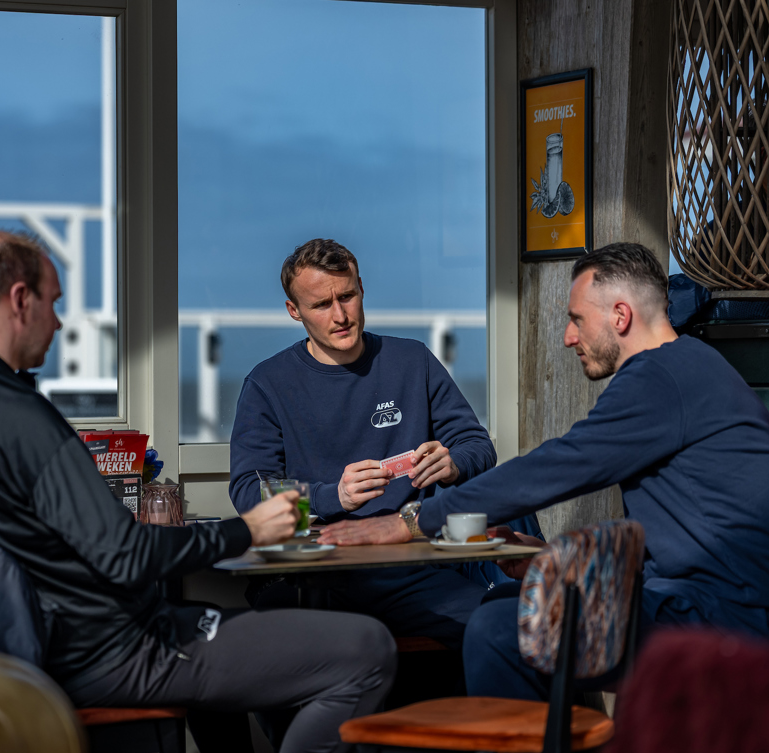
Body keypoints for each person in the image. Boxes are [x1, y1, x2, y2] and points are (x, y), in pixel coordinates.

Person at [0, 230, 396, 753]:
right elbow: (126, 557)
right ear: (20, 300)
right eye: (53, 302)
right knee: (367, 648)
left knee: (215, 625)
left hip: (9, 649)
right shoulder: (18, 417)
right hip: (108, 651)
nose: (58, 322)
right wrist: (247, 530)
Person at [318, 242, 769, 700]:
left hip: (714, 623)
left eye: (576, 319)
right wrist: (553, 558)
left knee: (498, 628)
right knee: (501, 603)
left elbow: (555, 467)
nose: (568, 337)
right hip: (697, 604)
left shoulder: (660, 377)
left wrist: (413, 521)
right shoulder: (689, 367)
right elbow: (685, 531)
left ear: (621, 316)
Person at [229, 237, 539, 649]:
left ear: (361, 288)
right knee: (304, 642)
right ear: (294, 310)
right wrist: (332, 496)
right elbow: (250, 491)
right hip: (323, 568)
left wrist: (453, 464)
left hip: (414, 564)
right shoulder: (267, 384)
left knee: (507, 628)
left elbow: (476, 445)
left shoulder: (412, 360)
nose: (340, 315)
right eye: (321, 305)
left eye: (347, 296)